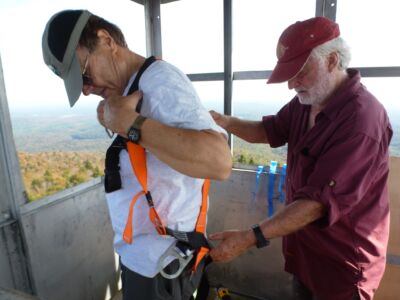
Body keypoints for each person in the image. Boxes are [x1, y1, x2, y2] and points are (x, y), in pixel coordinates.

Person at [41, 9, 232, 300]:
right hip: (146, 259)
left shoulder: (159, 82)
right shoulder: (131, 88)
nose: (87, 90)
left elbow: (219, 162)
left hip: (163, 263)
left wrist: (130, 124)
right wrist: (121, 121)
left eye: (84, 75)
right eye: (80, 85)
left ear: (105, 40)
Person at [209, 17, 392, 300]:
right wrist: (225, 122)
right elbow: (270, 130)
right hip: (306, 254)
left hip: (342, 265)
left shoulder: (361, 120)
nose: (291, 84)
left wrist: (249, 237)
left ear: (332, 60)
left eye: (300, 72)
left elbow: (317, 203)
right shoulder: (307, 101)